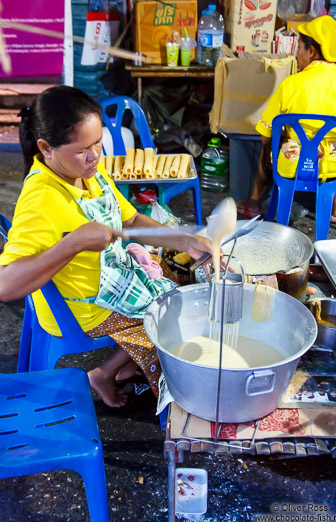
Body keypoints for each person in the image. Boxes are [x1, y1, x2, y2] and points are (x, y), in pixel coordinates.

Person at [0, 86, 215, 408]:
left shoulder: (87, 171)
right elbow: (6, 286)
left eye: (98, 143)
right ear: (46, 148)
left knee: (185, 281)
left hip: (113, 275)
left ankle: (110, 371)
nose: (95, 156)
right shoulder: (42, 199)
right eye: (83, 149)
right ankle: (120, 371)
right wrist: (72, 244)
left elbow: (130, 222)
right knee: (181, 323)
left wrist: (187, 239)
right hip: (84, 306)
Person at [237, 15, 336, 223]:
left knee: (269, 145)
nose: (297, 53)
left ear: (312, 51)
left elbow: (265, 137)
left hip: (295, 164)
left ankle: (254, 202)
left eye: (299, 47)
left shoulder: (290, 85)